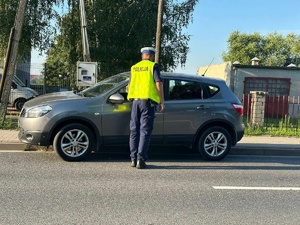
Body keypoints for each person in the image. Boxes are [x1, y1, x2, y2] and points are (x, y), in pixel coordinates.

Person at [127, 47, 164, 169]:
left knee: (134, 131)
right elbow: (158, 83)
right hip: (147, 103)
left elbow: (129, 85)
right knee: (145, 131)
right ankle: (140, 159)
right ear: (152, 56)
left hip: (135, 102)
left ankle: (132, 159)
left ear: (142, 55)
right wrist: (162, 101)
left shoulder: (134, 67)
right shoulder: (153, 66)